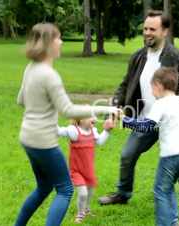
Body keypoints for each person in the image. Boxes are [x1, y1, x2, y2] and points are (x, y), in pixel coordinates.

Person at [98, 10, 179, 220]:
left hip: (169, 122)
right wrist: (116, 105)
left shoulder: (178, 57)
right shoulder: (138, 57)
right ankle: (123, 193)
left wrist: (174, 108)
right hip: (145, 119)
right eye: (145, 29)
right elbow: (126, 84)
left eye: (152, 29)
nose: (147, 33)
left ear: (165, 31)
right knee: (127, 154)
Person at [15, 23, 119, 226]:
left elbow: (21, 99)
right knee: (65, 189)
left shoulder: (30, 68)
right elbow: (68, 111)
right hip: (44, 142)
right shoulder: (49, 75)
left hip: (27, 139)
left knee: (44, 187)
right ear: (48, 43)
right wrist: (104, 110)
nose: (61, 42)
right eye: (58, 38)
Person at [122, 67, 179, 226]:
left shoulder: (161, 104)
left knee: (160, 191)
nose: (151, 92)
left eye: (151, 87)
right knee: (167, 187)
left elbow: (146, 127)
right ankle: (173, 221)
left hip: (171, 155)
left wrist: (125, 120)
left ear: (158, 85)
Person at [58, 117, 115, 223]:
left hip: (89, 170)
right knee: (83, 193)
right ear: (81, 120)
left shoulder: (93, 131)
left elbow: (100, 142)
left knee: (90, 193)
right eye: (90, 116)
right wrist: (49, 123)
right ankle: (80, 214)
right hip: (76, 170)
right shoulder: (74, 131)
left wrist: (107, 130)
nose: (94, 119)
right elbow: (60, 131)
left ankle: (87, 209)